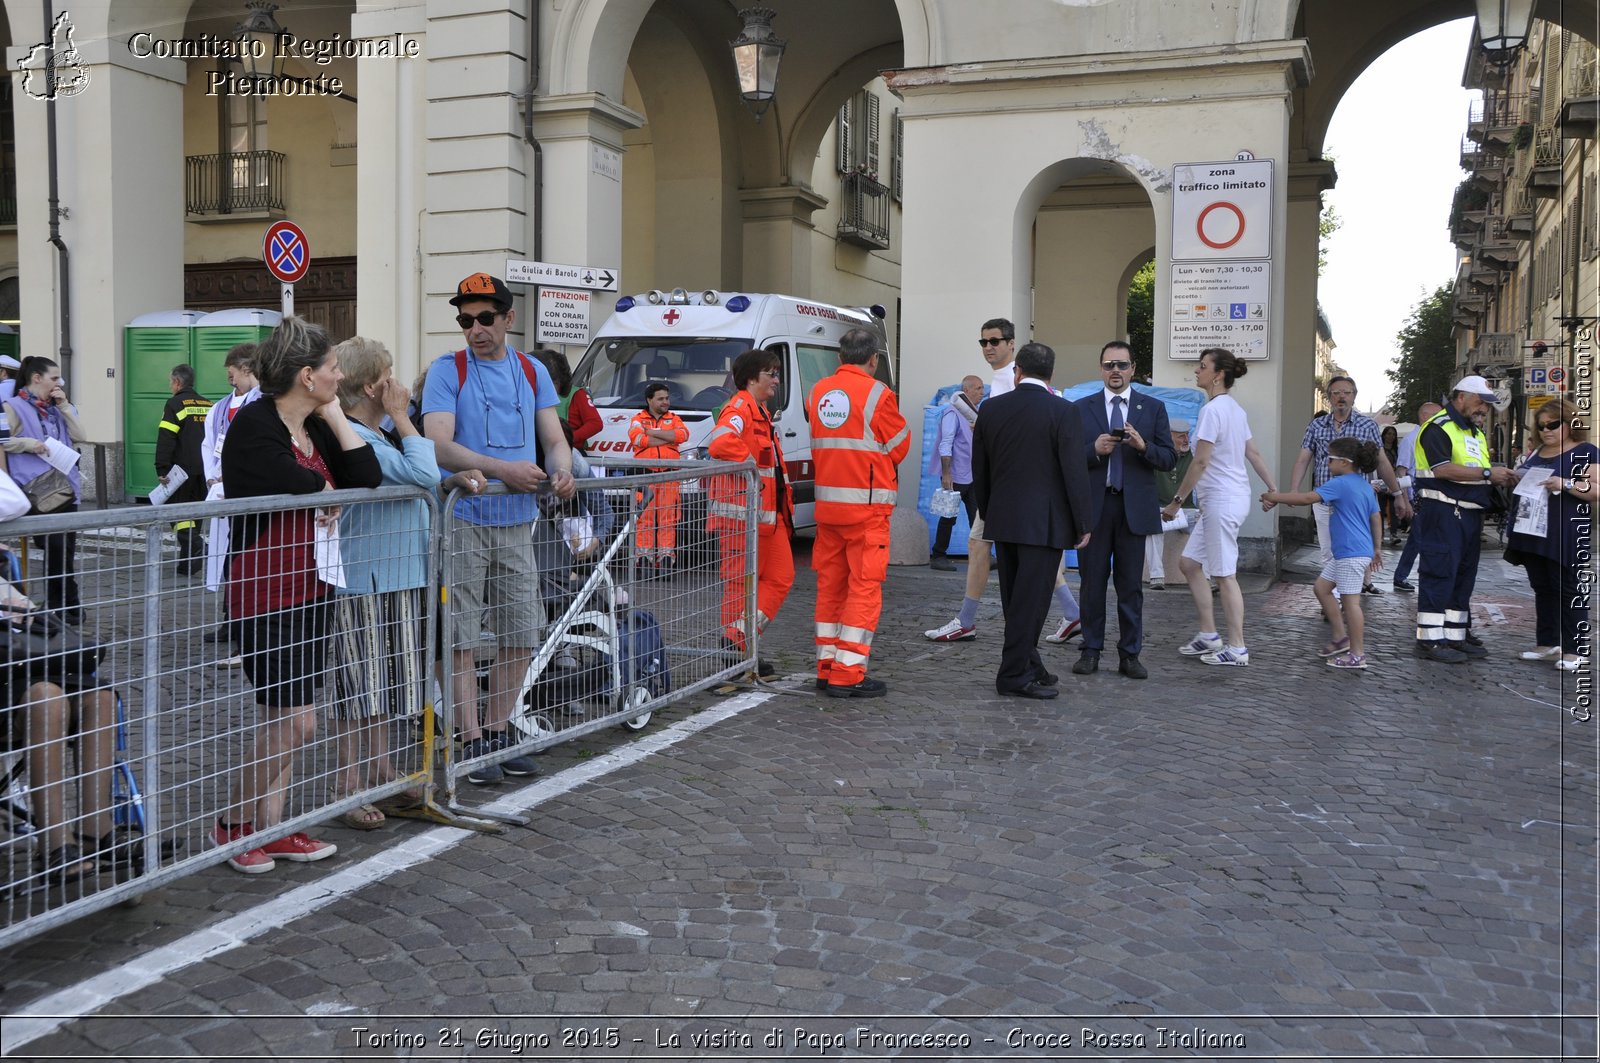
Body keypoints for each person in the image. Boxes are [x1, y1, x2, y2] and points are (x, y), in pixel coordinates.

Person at [217, 316, 381, 873]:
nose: (341, 376)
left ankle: (275, 826)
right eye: (333, 371)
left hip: (312, 587)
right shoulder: (255, 423)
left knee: (280, 718)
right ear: (307, 375)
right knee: (297, 720)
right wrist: (324, 487)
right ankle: (234, 824)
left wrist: (334, 413)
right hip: (262, 592)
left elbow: (367, 473)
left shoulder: (315, 423)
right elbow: (281, 475)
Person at [422, 272, 575, 785]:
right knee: (462, 634)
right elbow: (439, 444)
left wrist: (563, 468)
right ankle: (472, 738)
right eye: (466, 320)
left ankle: (501, 728)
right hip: (463, 519)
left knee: (521, 628)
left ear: (510, 319)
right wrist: (502, 469)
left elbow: (554, 437)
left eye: (485, 318)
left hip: (517, 522)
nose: (475, 329)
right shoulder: (448, 370)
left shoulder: (532, 371)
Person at [330, 337, 484, 829]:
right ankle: (346, 785)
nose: (397, 384)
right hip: (363, 578)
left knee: (390, 683)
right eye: (389, 376)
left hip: (398, 573)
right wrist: (403, 416)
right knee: (358, 688)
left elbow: (415, 480)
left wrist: (446, 483)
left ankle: (381, 769)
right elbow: (417, 471)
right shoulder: (362, 436)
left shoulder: (379, 437)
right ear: (375, 387)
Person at [925, 318, 1081, 644]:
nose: (989, 347)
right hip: (1009, 485)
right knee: (995, 547)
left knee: (984, 545)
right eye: (983, 342)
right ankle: (1070, 613)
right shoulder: (1002, 379)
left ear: (1011, 344)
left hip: (1009, 485)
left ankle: (970, 620)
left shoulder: (1014, 379)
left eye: (995, 341)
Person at [971, 341, 1093, 699]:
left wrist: (990, 509)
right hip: (1046, 523)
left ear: (1018, 371)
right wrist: (1083, 522)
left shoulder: (991, 409)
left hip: (1004, 518)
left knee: (1015, 599)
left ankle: (1029, 663)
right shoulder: (1063, 411)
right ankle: (1012, 676)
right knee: (1032, 602)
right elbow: (1074, 472)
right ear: (1051, 375)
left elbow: (981, 470)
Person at [808, 328, 909, 698]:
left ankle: (826, 665)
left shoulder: (817, 393)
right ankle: (847, 674)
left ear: (839, 358)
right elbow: (900, 446)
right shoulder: (879, 394)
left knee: (830, 587)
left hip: (827, 508)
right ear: (874, 360)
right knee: (863, 590)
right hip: (866, 510)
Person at [1162, 348, 1279, 667]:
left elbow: (1200, 461)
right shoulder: (1234, 410)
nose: (1196, 372)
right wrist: (1271, 488)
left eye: (1202, 367)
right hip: (1224, 500)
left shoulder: (1214, 411)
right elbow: (1252, 453)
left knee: (1225, 575)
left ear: (1218, 375)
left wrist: (1176, 502)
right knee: (1189, 563)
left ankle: (1238, 646)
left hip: (1222, 501)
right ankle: (1209, 635)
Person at [1071, 340, 1175, 680]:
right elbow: (1068, 459)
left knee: (1131, 585)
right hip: (1096, 508)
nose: (1115, 370)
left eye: (1122, 365)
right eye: (1109, 365)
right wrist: (1093, 450)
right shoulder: (1081, 408)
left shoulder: (1152, 408)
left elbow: (1169, 458)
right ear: (1101, 369)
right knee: (1091, 583)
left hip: (1133, 509)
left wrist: (1143, 446)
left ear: (1132, 369)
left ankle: (1130, 654)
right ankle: (1090, 649)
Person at [1408, 375, 1519, 663]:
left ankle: (1455, 634)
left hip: (1469, 512)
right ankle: (1430, 639)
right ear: (1461, 397)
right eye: (1480, 401)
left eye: (1487, 404)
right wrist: (1487, 474)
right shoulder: (1438, 428)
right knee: (1440, 572)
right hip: (1443, 511)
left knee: (1463, 576)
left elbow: (1475, 469)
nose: (1484, 408)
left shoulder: (1475, 432)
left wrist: (1497, 477)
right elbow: (1443, 469)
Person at [706, 348, 794, 677]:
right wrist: (753, 469)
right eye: (771, 373)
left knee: (780, 578)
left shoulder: (759, 410)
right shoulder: (741, 406)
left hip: (765, 518)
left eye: (776, 373)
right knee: (739, 585)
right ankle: (737, 651)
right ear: (751, 377)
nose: (776, 379)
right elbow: (720, 442)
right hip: (742, 517)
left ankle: (737, 639)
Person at [1263, 438, 1383, 669]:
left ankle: (1358, 654)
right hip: (1352, 551)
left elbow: (1307, 498)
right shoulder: (1364, 485)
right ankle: (1340, 639)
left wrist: (1274, 497)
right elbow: (1376, 517)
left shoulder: (1340, 483)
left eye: (1329, 459)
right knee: (1322, 588)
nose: (1326, 463)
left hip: (1350, 552)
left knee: (1351, 604)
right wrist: (1376, 549)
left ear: (1344, 463)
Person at [1286, 375, 1408, 597]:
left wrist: (1398, 493)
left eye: (1346, 393)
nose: (1341, 397)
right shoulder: (1316, 425)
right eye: (1336, 393)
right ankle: (1336, 599)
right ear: (1329, 397)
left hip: (1353, 502)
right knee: (1328, 552)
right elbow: (1303, 458)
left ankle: (1347, 596)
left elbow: (1382, 461)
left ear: (1354, 396)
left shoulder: (1367, 425)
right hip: (1324, 498)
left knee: (1350, 551)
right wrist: (1294, 490)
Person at [1504, 398, 1596, 671]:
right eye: (1542, 426)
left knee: (1569, 589)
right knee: (1542, 588)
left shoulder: (1585, 451)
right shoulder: (1539, 451)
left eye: (1553, 425)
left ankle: (1574, 650)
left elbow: (1596, 489)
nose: (1546, 430)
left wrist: (1565, 483)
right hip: (1533, 530)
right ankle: (1547, 643)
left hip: (1565, 531)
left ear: (1570, 424)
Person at [4, 357, 85, 623]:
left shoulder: (56, 407)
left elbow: (81, 434)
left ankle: (68, 607)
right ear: (36, 378)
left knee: (65, 552)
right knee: (56, 550)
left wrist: (64, 405)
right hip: (38, 488)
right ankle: (63, 607)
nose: (58, 383)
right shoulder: (12, 406)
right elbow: (3, 441)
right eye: (54, 378)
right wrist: (29, 444)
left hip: (66, 487)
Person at [154, 364, 213, 575]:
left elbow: (167, 438)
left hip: (181, 470)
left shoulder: (175, 404)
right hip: (205, 470)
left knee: (177, 511)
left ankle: (197, 544)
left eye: (171, 381)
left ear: (177, 382)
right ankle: (189, 564)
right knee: (194, 514)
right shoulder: (208, 404)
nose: (171, 385)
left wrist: (162, 468)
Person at [628, 382, 689, 576]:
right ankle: (644, 560)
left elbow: (682, 435)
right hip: (646, 474)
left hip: (670, 474)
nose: (666, 402)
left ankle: (665, 560)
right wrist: (667, 437)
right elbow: (637, 439)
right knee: (644, 518)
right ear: (649, 400)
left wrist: (651, 433)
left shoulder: (675, 418)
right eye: (661, 399)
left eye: (667, 398)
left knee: (668, 519)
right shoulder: (637, 419)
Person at [928, 375, 983, 571]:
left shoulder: (973, 414)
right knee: (948, 517)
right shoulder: (952, 413)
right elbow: (946, 443)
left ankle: (980, 557)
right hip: (956, 474)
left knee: (977, 516)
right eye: (977, 388)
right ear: (966, 391)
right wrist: (946, 473)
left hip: (972, 474)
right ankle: (939, 555)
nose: (981, 392)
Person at [1390, 401, 1441, 592]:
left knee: (1421, 539)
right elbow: (1401, 472)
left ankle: (1408, 576)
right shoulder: (1412, 440)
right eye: (1437, 415)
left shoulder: (1431, 438)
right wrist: (1404, 500)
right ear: (1425, 416)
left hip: (1431, 496)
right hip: (1417, 497)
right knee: (1419, 538)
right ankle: (1403, 576)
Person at [1149, 417, 1194, 589]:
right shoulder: (1158, 455)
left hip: (1187, 510)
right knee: (1151, 528)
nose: (1186, 440)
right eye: (1181, 436)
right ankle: (1157, 576)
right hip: (1161, 510)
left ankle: (1207, 578)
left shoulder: (1193, 456)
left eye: (1187, 435)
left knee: (1206, 525)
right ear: (1169, 437)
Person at [540, 347, 602, 454]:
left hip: (571, 451)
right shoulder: (534, 392)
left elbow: (595, 423)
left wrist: (569, 439)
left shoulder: (577, 394)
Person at [1378, 425, 1402, 545]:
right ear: (1384, 435)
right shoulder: (1380, 450)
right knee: (1380, 510)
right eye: (1388, 434)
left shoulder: (1397, 450)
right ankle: (1380, 535)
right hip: (1381, 482)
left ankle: (1393, 534)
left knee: (1394, 510)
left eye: (1393, 434)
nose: (1391, 436)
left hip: (1394, 482)